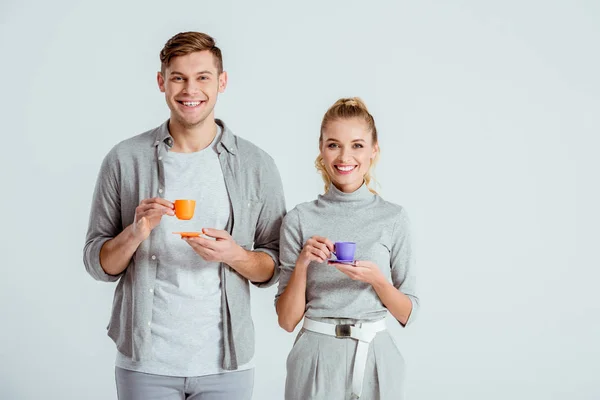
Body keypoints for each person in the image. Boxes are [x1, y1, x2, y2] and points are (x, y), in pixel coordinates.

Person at [83, 31, 286, 400]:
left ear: (222, 82)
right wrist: (135, 233)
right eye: (178, 77)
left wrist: (235, 255)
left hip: (226, 366)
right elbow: (97, 264)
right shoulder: (124, 159)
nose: (190, 89)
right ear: (162, 82)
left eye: (203, 77)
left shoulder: (257, 165)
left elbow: (275, 266)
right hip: (146, 365)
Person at [275, 98, 419, 400]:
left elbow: (408, 313)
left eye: (357, 145)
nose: (344, 157)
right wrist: (302, 262)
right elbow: (287, 321)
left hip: (376, 356)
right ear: (321, 149)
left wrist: (378, 280)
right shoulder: (300, 219)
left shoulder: (393, 218)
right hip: (314, 355)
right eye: (333, 145)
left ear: (373, 150)